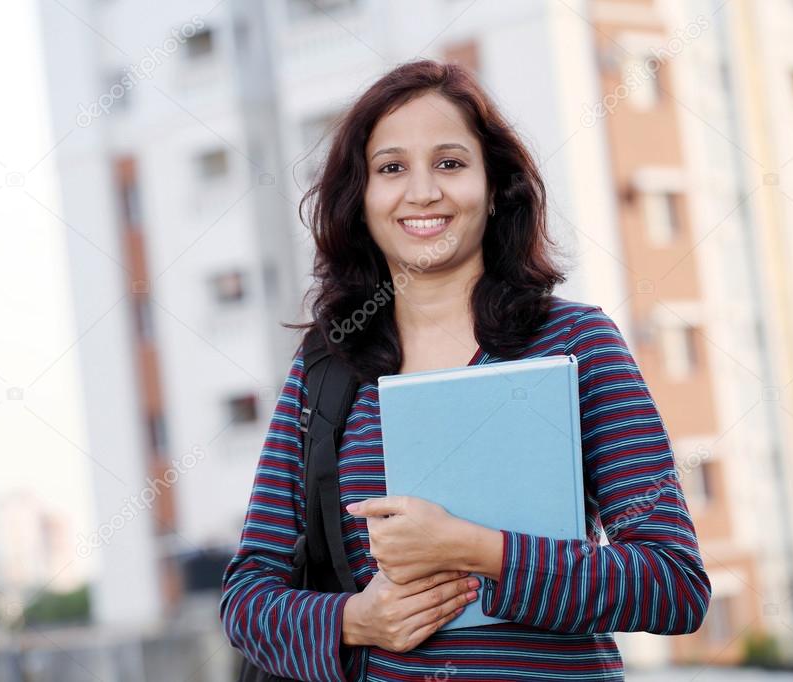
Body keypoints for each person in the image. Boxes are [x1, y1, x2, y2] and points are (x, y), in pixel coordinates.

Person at [219, 59, 710, 681]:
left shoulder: (575, 342)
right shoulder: (327, 365)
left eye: (450, 163)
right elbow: (246, 600)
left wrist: (478, 550)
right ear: (361, 198)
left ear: (495, 187)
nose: (423, 192)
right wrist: (355, 621)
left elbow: (674, 584)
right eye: (392, 168)